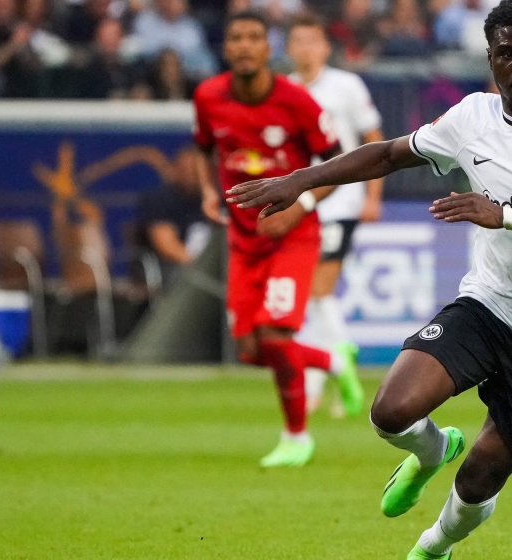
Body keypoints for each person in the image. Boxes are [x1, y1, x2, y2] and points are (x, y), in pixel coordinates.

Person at [226, 1, 512, 557]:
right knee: (390, 412)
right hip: (489, 305)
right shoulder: (471, 119)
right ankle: (433, 451)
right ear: (490, 59)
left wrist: (502, 215)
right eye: (507, 53)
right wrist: (300, 180)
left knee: (480, 477)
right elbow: (388, 155)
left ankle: (433, 548)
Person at [192, 10, 361, 468]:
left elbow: (337, 166)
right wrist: (209, 192)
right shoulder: (208, 96)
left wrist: (300, 206)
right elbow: (203, 148)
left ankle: (296, 437)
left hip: (293, 236)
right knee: (251, 351)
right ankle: (332, 362)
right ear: (226, 48)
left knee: (275, 334)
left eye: (254, 37)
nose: (245, 45)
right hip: (243, 240)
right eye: (236, 38)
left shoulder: (297, 102)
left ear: (268, 48)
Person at [285, 13, 383, 416]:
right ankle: (327, 375)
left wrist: (373, 195)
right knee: (309, 297)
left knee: (317, 290)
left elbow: (374, 140)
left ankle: (336, 362)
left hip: (339, 198)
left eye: (313, 40)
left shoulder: (346, 86)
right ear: (288, 48)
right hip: (298, 204)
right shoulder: (284, 90)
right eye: (298, 41)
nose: (306, 48)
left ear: (325, 47)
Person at [136, 145, 211, 284]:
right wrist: (202, 264)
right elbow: (166, 246)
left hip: (208, 265)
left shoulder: (214, 199)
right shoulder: (160, 199)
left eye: (196, 171)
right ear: (176, 169)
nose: (191, 175)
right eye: (187, 170)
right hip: (171, 268)